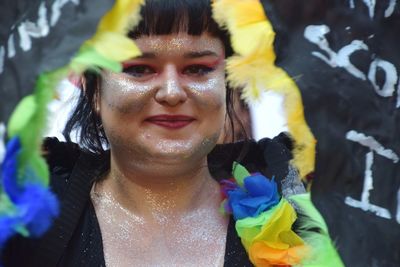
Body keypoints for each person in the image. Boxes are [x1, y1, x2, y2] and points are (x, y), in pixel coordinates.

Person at [2, 0, 294, 266]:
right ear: (93, 89)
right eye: (139, 69)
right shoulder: (26, 194)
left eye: (198, 69)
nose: (171, 92)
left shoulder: (293, 181)